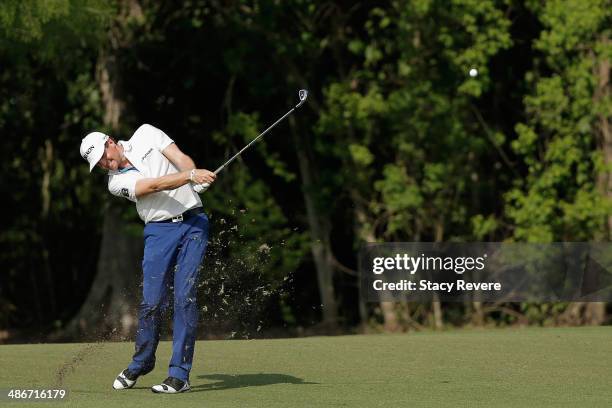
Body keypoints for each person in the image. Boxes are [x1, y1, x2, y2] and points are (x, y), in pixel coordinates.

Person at [79, 124, 216, 394]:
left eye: (105, 157)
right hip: (159, 231)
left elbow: (181, 158)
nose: (106, 165)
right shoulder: (116, 183)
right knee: (152, 302)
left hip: (194, 224)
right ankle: (142, 361)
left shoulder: (146, 134)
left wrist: (194, 177)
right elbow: (152, 186)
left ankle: (179, 375)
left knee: (184, 297)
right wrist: (190, 176)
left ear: (111, 142)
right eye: (100, 165)